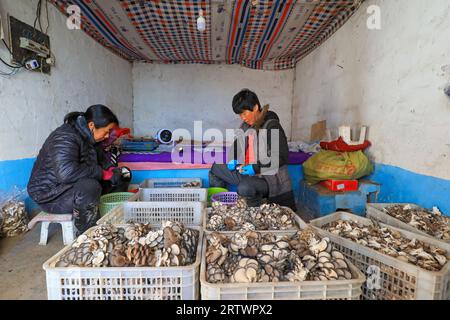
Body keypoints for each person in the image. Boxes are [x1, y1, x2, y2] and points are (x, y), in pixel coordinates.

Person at [27, 105, 131, 235]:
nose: (107, 136)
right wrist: (103, 173)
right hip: (50, 194)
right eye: (107, 131)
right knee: (90, 187)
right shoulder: (65, 137)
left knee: (123, 175)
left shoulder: (90, 136)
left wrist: (112, 170)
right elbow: (67, 173)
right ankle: (86, 233)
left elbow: (102, 160)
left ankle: (113, 219)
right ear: (92, 125)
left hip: (69, 185)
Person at [209, 89, 296, 210]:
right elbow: (237, 146)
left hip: (268, 179)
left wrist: (254, 168)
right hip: (247, 172)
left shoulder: (271, 126)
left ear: (255, 107)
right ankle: (220, 208)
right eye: (240, 115)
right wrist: (233, 159)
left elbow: (280, 157)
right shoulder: (246, 127)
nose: (242, 118)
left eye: (244, 113)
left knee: (245, 188)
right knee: (216, 168)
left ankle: (257, 213)